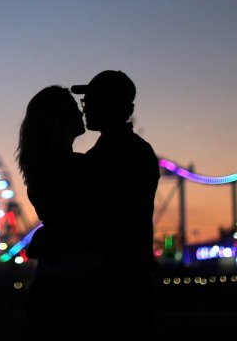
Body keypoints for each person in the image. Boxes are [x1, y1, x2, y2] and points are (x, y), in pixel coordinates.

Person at [71, 70, 160, 332]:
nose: (86, 108)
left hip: (114, 281)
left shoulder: (114, 154)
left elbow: (109, 219)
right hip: (126, 277)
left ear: (116, 106)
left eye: (93, 101)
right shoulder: (130, 150)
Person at [16, 85, 99, 337]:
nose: (81, 114)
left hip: (49, 280)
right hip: (74, 285)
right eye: (74, 109)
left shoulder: (41, 170)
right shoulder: (78, 168)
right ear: (59, 119)